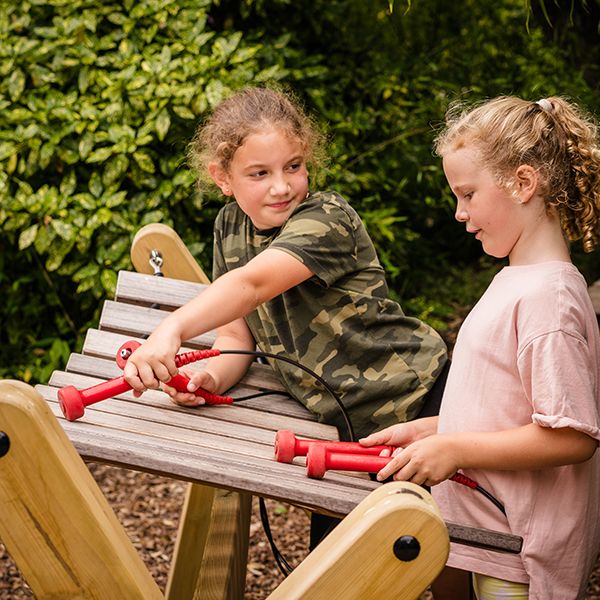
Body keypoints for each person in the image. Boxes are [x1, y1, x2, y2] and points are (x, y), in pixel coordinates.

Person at [123, 86, 448, 543]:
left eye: (293, 166)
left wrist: (171, 328)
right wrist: (210, 379)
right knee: (343, 566)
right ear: (222, 177)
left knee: (452, 549)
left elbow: (251, 285)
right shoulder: (229, 228)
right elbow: (236, 337)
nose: (281, 185)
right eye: (259, 173)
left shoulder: (327, 216)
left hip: (422, 396)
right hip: (346, 431)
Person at [361, 95, 600, 599]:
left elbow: (573, 437)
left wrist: (455, 447)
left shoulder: (549, 299)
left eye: (467, 194)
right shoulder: (515, 279)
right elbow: (503, 409)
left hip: (519, 556)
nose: (458, 212)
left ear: (523, 182)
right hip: (479, 534)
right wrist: (432, 431)